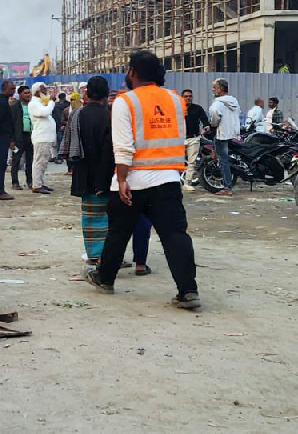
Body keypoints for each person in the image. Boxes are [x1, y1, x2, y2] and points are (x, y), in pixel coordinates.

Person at [86, 50, 200, 310]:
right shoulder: (175, 101)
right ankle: (188, 290)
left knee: (118, 232)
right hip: (168, 178)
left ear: (133, 72)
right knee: (175, 235)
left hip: (133, 179)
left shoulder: (125, 102)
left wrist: (122, 179)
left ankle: (105, 280)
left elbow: (123, 147)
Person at [66, 76, 115, 264]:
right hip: (106, 174)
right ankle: (108, 255)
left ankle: (93, 253)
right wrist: (103, 180)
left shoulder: (77, 114)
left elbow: (71, 146)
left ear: (87, 93)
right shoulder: (110, 115)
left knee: (90, 217)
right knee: (109, 217)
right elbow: (110, 149)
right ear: (105, 93)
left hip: (83, 173)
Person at [208, 78, 240, 197]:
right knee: (225, 158)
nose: (213, 90)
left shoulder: (218, 103)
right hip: (232, 133)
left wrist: (212, 124)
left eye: (214, 88)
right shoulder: (233, 101)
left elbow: (214, 116)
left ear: (220, 89)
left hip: (221, 134)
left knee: (223, 161)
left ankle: (227, 187)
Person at [28, 82, 56, 194]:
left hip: (45, 137)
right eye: (44, 90)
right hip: (41, 137)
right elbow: (44, 113)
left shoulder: (40, 103)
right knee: (39, 161)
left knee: (43, 161)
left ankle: (40, 183)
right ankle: (37, 185)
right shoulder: (34, 104)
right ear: (38, 91)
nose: (46, 92)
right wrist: (51, 102)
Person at [180, 89, 209, 191]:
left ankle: (187, 183)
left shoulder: (197, 108)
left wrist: (206, 126)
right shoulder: (177, 109)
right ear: (182, 97)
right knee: (175, 161)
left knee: (192, 162)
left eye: (190, 96)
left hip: (194, 138)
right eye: (186, 96)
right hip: (179, 139)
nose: (188, 98)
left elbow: (205, 120)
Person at [11, 85, 34, 191]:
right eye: (25, 93)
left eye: (28, 93)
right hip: (18, 137)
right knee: (16, 160)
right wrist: (11, 140)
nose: (28, 95)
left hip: (31, 136)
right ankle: (15, 182)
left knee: (30, 160)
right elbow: (10, 124)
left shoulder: (32, 105)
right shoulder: (14, 106)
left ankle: (30, 181)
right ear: (20, 94)